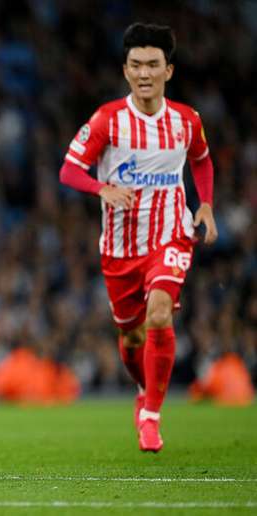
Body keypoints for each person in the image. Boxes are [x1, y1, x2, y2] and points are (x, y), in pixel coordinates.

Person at [59, 23, 217, 452]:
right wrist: (102, 188)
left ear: (169, 70)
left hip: (171, 235)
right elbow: (69, 170)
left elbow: (201, 160)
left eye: (152, 64)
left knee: (161, 315)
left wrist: (204, 205)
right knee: (131, 337)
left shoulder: (187, 121)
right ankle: (143, 393)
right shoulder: (108, 120)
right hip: (120, 248)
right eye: (135, 65)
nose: (144, 72)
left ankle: (151, 416)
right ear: (125, 71)